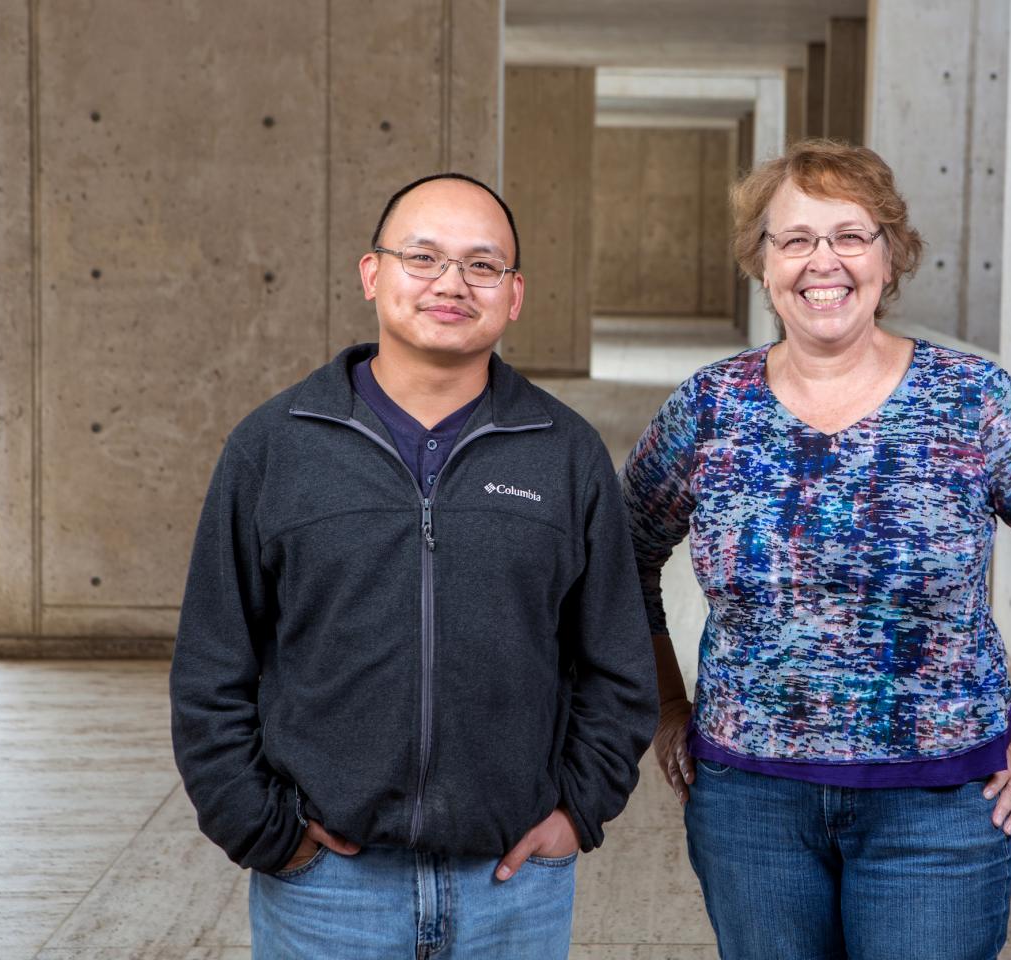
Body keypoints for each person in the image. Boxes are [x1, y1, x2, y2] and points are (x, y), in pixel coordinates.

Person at [620, 140, 1011, 959]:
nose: (823, 261)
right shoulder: (711, 407)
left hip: (938, 809)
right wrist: (667, 706)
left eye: (851, 236)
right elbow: (621, 552)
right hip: (750, 806)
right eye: (794, 239)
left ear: (890, 257)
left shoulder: (971, 401)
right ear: (762, 264)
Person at [170, 172, 658, 959]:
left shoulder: (565, 453)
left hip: (512, 891)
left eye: (482, 264)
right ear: (373, 274)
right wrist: (266, 832)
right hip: (326, 892)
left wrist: (577, 809)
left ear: (515, 293)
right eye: (422, 257)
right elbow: (210, 667)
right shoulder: (275, 447)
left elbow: (618, 665)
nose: (451, 284)